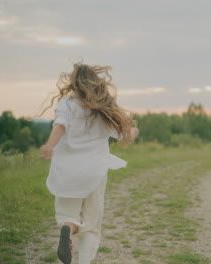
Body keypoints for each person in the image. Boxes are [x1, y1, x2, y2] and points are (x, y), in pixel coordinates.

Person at [39, 62, 139, 264]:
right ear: (96, 83)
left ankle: (69, 228)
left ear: (74, 83)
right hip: (94, 171)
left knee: (67, 215)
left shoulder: (66, 104)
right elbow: (125, 135)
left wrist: (49, 145)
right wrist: (134, 131)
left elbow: (60, 125)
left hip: (66, 172)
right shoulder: (101, 109)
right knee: (92, 223)